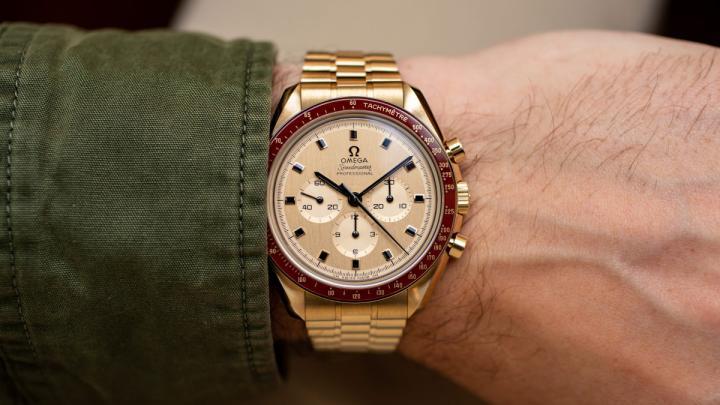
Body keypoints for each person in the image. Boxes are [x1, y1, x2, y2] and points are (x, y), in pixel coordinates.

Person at [0, 23, 718, 404]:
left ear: (451, 190)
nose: (351, 201)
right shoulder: (408, 178)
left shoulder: (429, 184)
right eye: (343, 196)